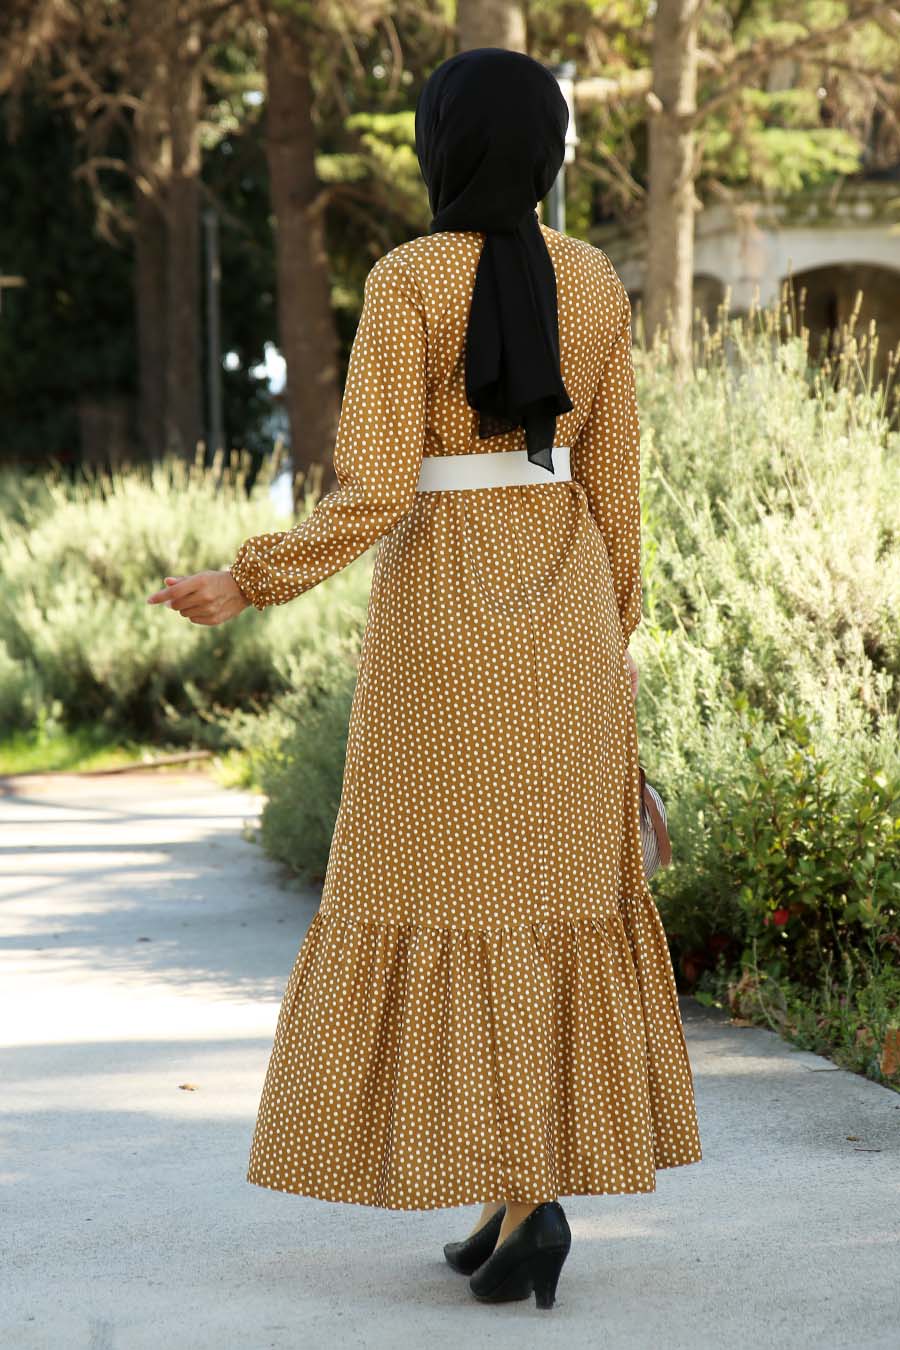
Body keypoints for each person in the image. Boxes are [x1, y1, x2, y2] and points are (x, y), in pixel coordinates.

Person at [147, 46, 702, 1310]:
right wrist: (606, 653)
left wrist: (253, 576)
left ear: (442, 146)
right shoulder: (596, 281)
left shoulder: (408, 278)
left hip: (443, 623)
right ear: (551, 150)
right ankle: (521, 1193)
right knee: (550, 896)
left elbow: (383, 488)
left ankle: (523, 1194)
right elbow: (619, 498)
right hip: (564, 612)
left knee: (443, 889)